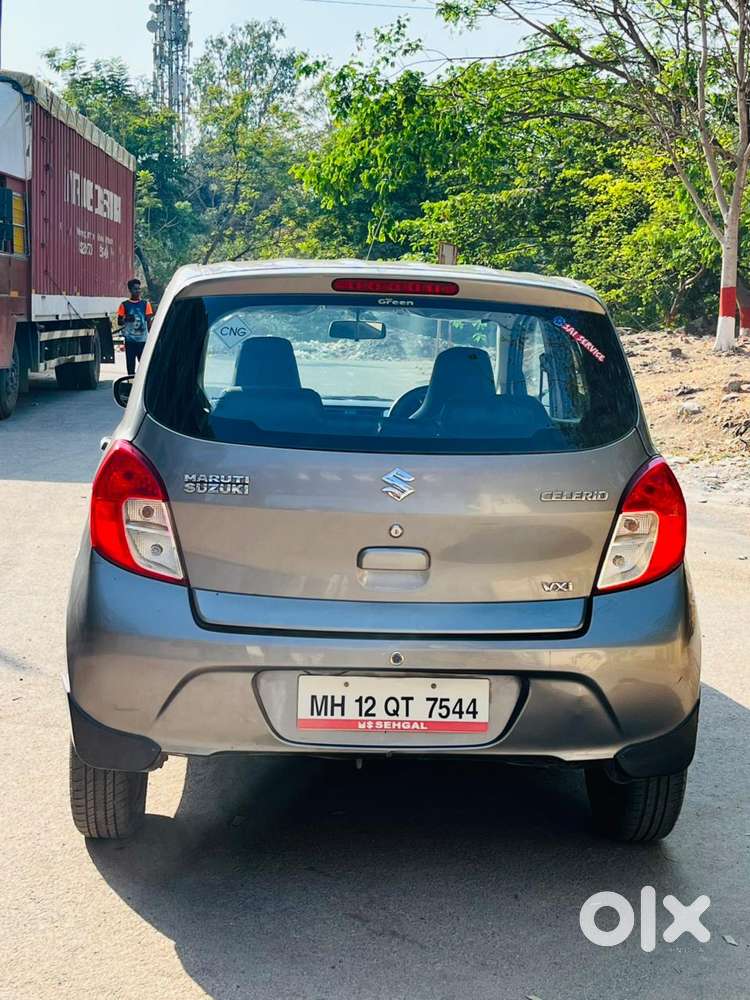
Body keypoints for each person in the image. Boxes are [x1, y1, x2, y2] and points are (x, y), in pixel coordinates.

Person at [117, 279, 154, 375]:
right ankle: (130, 386)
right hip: (130, 342)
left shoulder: (146, 304)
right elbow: (119, 322)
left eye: (139, 289)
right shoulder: (124, 305)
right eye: (135, 289)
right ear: (130, 290)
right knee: (130, 368)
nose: (137, 291)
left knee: (145, 368)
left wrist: (152, 339)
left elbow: (149, 323)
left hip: (143, 342)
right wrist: (126, 318)